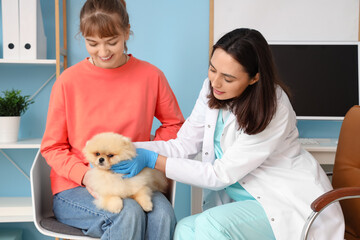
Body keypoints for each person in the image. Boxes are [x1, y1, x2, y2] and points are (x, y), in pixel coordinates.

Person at [111, 28, 345, 240]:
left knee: (210, 225)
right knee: (185, 229)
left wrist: (153, 160)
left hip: (283, 202)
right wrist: (126, 148)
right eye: (213, 69)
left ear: (255, 77)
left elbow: (219, 175)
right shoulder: (211, 89)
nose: (216, 82)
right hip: (243, 202)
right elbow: (182, 146)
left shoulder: (274, 108)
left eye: (229, 78)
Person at [40, 0, 184, 239]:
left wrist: (145, 155)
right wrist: (87, 177)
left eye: (112, 42)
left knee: (163, 215)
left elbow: (174, 125)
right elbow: (52, 147)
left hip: (133, 178)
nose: (103, 52)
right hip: (75, 186)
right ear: (83, 37)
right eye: (92, 43)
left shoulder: (151, 76)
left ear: (127, 33)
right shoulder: (68, 81)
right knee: (126, 213)